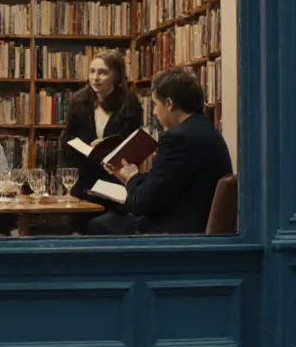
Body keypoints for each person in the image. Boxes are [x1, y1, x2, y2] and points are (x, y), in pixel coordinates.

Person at [86, 67, 231, 235]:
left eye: (155, 104)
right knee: (111, 218)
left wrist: (132, 177)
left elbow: (142, 203)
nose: (154, 112)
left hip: (177, 232)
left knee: (98, 225)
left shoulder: (177, 139)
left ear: (169, 104)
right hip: (191, 221)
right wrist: (128, 176)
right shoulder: (205, 129)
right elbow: (167, 182)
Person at [57, 51, 143, 204]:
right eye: (92, 71)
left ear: (116, 76)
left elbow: (133, 146)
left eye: (102, 72)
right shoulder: (79, 100)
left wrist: (106, 145)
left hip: (114, 182)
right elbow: (68, 139)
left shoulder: (129, 103)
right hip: (83, 180)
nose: (95, 78)